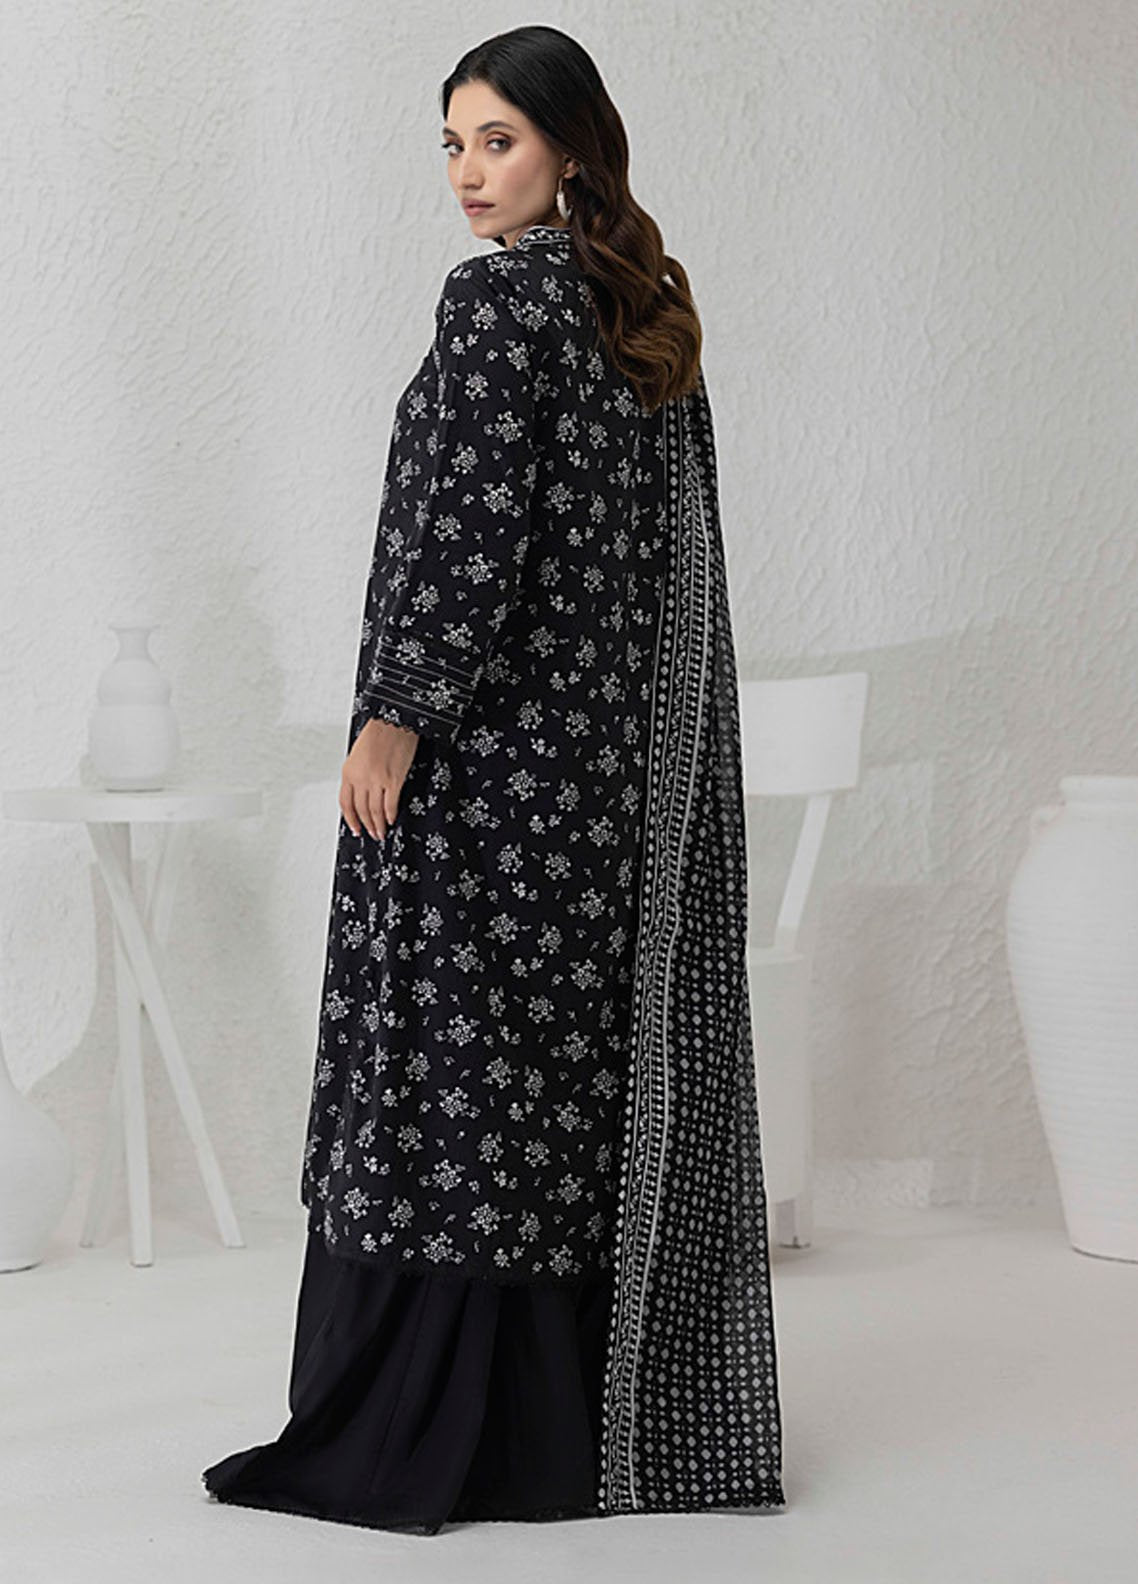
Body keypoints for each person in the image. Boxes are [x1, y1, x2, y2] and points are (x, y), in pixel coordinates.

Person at [201, 24, 786, 1534]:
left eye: (499, 141)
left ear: (571, 147)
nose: (469, 174)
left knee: (444, 1089)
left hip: (481, 778)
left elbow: (466, 533)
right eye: (453, 145)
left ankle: (421, 1431)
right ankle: (562, 1437)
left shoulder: (500, 303)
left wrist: (395, 718)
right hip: (595, 795)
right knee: (544, 1093)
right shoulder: (637, 316)